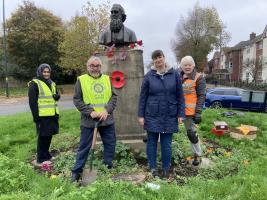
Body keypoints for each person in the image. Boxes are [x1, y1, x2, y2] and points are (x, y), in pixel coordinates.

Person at [138, 50, 185, 179]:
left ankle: (165, 169)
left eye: (160, 57)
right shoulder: (149, 76)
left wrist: (181, 114)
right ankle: (153, 168)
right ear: (153, 61)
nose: (158, 60)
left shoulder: (174, 74)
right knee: (151, 143)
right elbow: (143, 97)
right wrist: (141, 115)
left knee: (166, 144)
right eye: (155, 58)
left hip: (169, 114)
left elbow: (180, 96)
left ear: (164, 58)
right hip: (152, 114)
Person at [71, 56, 117, 182]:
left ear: (101, 67)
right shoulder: (81, 80)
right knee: (84, 147)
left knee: (110, 144)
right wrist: (89, 112)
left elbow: (113, 97)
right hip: (89, 121)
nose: (95, 68)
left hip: (106, 119)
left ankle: (107, 166)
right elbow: (77, 99)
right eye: (92, 65)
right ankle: (76, 171)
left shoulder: (107, 79)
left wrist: (106, 110)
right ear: (88, 66)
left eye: (97, 66)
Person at [28, 63, 60, 165]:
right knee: (43, 137)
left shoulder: (52, 83)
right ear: (40, 72)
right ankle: (41, 158)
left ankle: (46, 154)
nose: (46, 74)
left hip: (52, 114)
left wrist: (57, 96)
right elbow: (32, 102)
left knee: (49, 136)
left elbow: (55, 95)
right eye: (44, 72)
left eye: (48, 72)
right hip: (42, 116)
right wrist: (36, 117)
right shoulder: (34, 83)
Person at [180, 56, 206, 166]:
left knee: (192, 134)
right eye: (185, 65)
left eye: (189, 64)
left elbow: (201, 95)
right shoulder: (178, 77)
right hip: (178, 111)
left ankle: (197, 155)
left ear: (193, 65)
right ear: (181, 67)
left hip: (190, 113)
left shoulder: (198, 78)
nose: (187, 67)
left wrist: (198, 112)